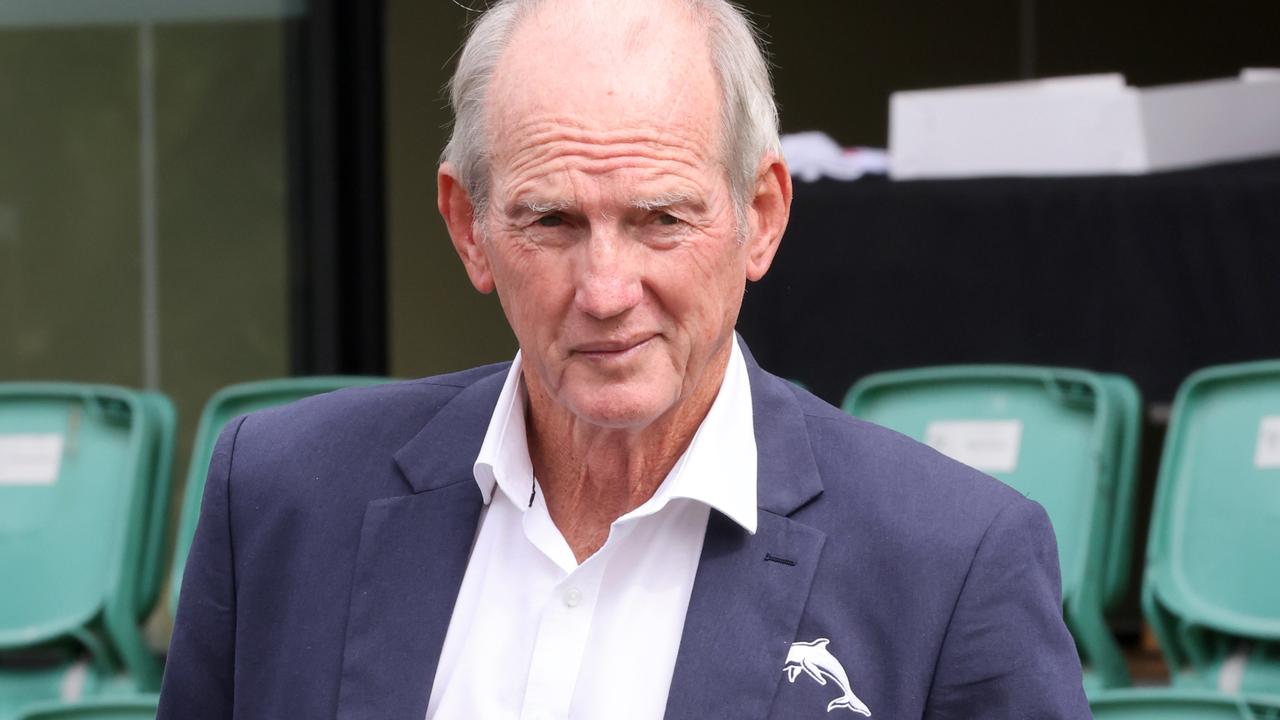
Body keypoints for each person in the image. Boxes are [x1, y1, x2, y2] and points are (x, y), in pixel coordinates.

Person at [158, 0, 1090, 717]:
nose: (606, 290)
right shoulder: (279, 500)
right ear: (468, 228)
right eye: (551, 221)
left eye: (661, 219)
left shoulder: (949, 561)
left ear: (759, 217)